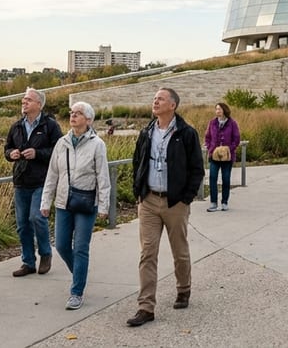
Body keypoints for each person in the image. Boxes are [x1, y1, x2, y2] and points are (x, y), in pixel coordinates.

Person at [127, 88, 203, 328]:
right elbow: (137, 162)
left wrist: (186, 198)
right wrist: (139, 192)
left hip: (175, 202)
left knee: (179, 251)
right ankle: (145, 307)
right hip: (149, 200)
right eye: (154, 99)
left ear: (173, 105)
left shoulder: (186, 133)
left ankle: (184, 289)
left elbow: (197, 169)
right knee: (147, 253)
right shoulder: (146, 132)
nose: (155, 102)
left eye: (160, 99)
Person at [40, 101, 110, 312]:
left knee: (80, 247)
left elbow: (103, 177)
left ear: (88, 120)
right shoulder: (62, 143)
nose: (73, 116)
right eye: (72, 113)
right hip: (63, 202)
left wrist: (104, 206)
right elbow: (52, 174)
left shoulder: (97, 144)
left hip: (86, 202)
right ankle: (80, 273)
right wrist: (46, 201)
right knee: (61, 245)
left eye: (78, 114)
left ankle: (76, 291)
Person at [5, 88, 63, 277]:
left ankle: (45, 253)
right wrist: (11, 154)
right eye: (23, 99)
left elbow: (58, 150)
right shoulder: (17, 126)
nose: (24, 102)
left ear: (39, 104)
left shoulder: (50, 126)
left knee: (36, 217)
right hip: (21, 180)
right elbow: (7, 148)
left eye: (29, 99)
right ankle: (28, 261)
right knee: (22, 224)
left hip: (42, 180)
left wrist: (37, 154)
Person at [203, 103, 240, 212]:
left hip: (227, 157)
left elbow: (236, 139)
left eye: (219, 109)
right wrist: (211, 148)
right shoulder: (212, 123)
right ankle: (213, 203)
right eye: (216, 109)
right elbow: (207, 137)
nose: (217, 111)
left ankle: (224, 202)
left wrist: (229, 149)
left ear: (224, 110)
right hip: (214, 156)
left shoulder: (232, 123)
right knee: (212, 178)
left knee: (226, 179)